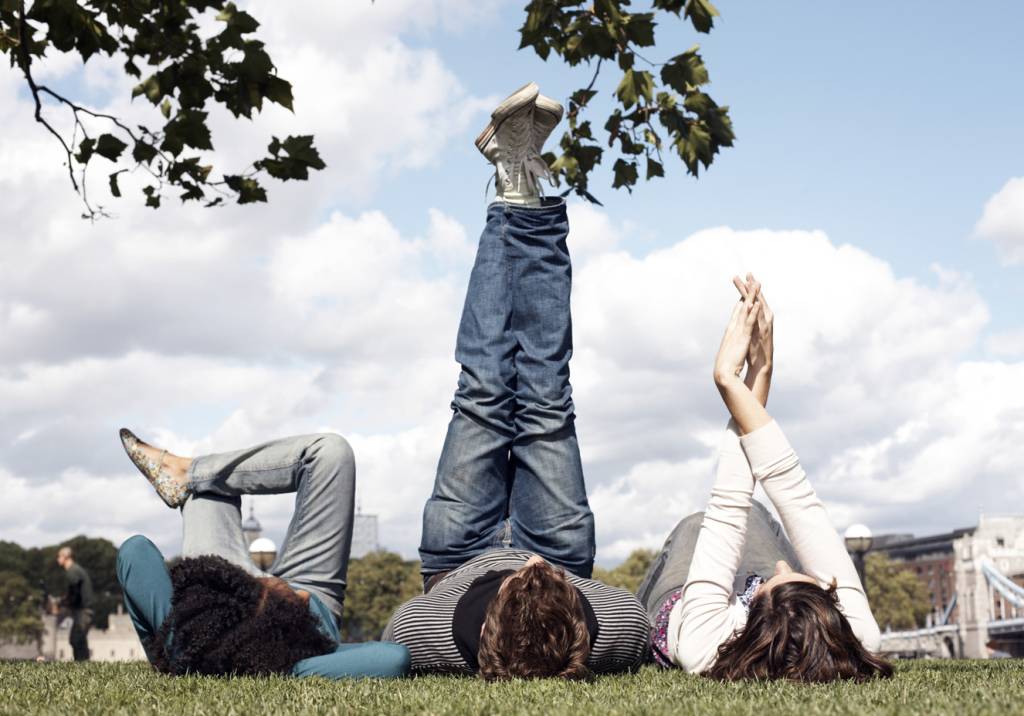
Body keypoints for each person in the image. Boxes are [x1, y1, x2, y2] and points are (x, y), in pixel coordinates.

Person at [383, 82, 650, 680]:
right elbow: (636, 616)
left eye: (516, 585)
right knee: (546, 392)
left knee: (483, 387)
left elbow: (399, 625)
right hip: (563, 554)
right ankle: (522, 182)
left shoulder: (423, 636)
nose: (520, 567)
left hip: (458, 557)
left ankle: (513, 182)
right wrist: (556, 573)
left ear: (487, 632)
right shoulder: (618, 630)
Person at [636, 275, 893, 682]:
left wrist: (728, 377)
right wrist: (761, 370)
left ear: (748, 618)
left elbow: (726, 503)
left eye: (771, 581)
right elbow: (798, 500)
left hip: (682, 605)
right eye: (795, 573)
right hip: (778, 604)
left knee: (697, 524)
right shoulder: (857, 635)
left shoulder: (706, 645)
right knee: (756, 513)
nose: (779, 562)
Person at [114, 429, 410, 678]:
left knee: (208, 490)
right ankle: (190, 474)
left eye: (260, 588)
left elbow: (134, 551)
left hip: (218, 594)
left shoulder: (189, 637)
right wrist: (283, 655)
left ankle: (186, 472)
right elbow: (392, 658)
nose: (264, 579)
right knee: (331, 452)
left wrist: (170, 644)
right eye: (282, 599)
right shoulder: (294, 660)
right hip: (309, 617)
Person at [56, 546, 93, 661]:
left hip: (83, 611)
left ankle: (82, 664)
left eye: (59, 556)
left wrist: (63, 603)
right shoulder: (76, 570)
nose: (57, 559)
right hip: (83, 610)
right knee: (78, 639)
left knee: (77, 639)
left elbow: (74, 592)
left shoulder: (72, 571)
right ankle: (83, 663)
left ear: (65, 557)